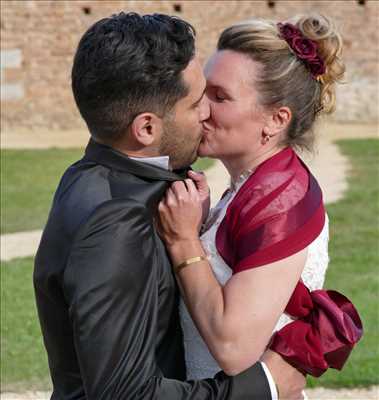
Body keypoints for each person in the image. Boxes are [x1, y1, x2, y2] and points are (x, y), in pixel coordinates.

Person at [33, 12, 305, 400]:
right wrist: (263, 386)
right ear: (146, 128)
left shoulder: (89, 175)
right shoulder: (116, 222)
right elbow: (122, 394)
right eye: (195, 104)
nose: (209, 113)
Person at [157, 13, 363, 385]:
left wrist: (184, 240)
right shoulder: (254, 185)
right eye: (204, 92)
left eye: (220, 97)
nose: (202, 109)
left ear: (275, 120)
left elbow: (233, 348)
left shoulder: (280, 200)